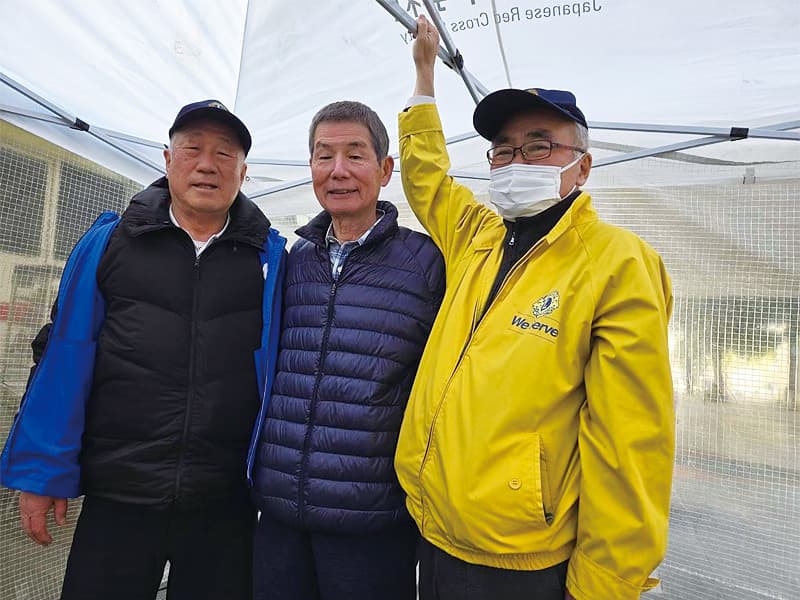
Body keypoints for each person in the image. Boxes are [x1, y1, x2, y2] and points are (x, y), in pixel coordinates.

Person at [393, 15, 675, 600]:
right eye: (503, 150)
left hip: (520, 563)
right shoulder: (479, 235)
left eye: (539, 146)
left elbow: (630, 445)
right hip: (433, 531)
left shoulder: (617, 263)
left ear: (583, 165)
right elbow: (427, 181)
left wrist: (602, 586)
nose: (517, 160)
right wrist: (423, 79)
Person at [0, 100, 287, 600]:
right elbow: (63, 356)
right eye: (192, 149)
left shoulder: (272, 259)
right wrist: (44, 473)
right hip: (119, 493)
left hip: (224, 502)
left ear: (244, 172)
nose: (207, 164)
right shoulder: (110, 243)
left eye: (224, 153)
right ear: (167, 159)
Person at [250, 100, 445, 600]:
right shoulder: (296, 258)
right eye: (324, 156)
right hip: (280, 510)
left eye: (355, 155)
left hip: (372, 516)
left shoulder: (425, 263)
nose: (338, 170)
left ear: (385, 169)